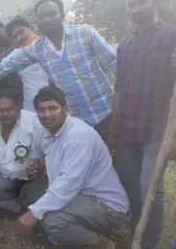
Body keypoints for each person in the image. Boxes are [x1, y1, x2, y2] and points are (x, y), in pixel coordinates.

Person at [0, 0, 116, 141]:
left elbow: (114, 64)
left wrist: (121, 103)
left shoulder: (85, 33)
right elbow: (1, 68)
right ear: (37, 22)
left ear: (62, 15)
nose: (47, 19)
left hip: (106, 111)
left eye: (52, 14)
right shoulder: (37, 49)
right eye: (42, 17)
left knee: (119, 163)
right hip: (73, 120)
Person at [17, 86, 130, 249]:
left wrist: (34, 214)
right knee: (28, 194)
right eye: (41, 110)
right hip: (76, 192)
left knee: (52, 221)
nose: (47, 114)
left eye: (53, 108)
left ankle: (104, 243)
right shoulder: (43, 129)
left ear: (66, 109)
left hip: (104, 203)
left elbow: (68, 184)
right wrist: (37, 164)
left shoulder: (78, 136)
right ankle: (75, 231)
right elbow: (37, 153)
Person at [111, 0, 176, 249]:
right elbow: (119, 88)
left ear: (154, 2)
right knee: (130, 184)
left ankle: (149, 243)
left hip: (157, 128)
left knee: (151, 190)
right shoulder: (124, 45)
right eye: (131, 5)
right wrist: (113, 128)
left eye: (141, 2)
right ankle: (135, 231)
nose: (136, 8)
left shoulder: (171, 36)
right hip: (127, 126)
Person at [5, 16, 49, 112]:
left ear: (30, 27)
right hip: (32, 108)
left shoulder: (49, 44)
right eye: (15, 37)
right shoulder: (15, 56)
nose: (19, 38)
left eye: (20, 32)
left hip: (58, 105)